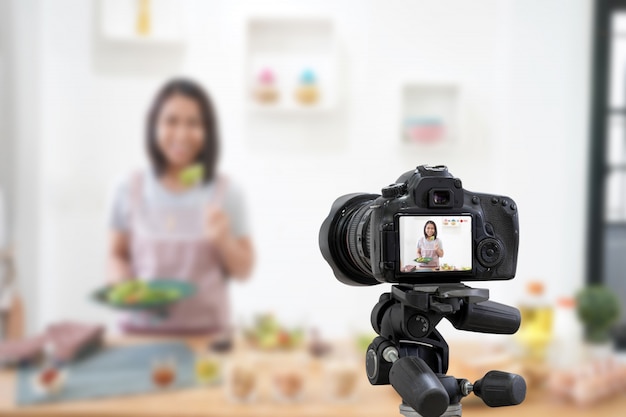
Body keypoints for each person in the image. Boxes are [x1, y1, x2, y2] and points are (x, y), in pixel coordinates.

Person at [107, 78, 254, 335]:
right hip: (139, 332)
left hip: (208, 336)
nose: (182, 134)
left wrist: (224, 242)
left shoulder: (227, 192)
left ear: (208, 131)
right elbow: (116, 254)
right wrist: (123, 286)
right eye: (171, 121)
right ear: (154, 126)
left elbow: (244, 271)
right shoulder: (128, 187)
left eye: (193, 123)